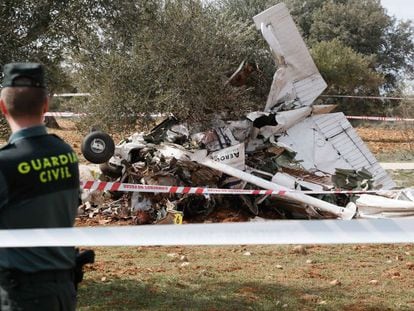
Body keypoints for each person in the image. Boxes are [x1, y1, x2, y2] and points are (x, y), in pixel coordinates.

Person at [0, 63, 79, 310]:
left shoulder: (5, 164)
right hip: (64, 291)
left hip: (21, 296)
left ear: (2, 107)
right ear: (46, 105)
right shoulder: (66, 153)